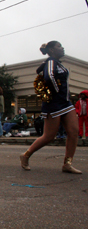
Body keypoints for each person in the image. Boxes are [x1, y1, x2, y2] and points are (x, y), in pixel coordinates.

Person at [20, 41, 81, 174]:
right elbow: (49, 77)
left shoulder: (59, 63)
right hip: (53, 104)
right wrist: (57, 92)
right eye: (59, 46)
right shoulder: (51, 61)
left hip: (66, 103)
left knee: (74, 132)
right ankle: (25, 155)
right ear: (52, 50)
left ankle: (67, 163)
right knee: (49, 136)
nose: (62, 48)